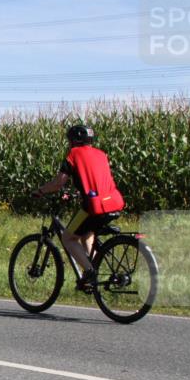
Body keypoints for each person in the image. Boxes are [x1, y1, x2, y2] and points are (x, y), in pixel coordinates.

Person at [33, 125, 125, 291]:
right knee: (86, 235)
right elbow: (94, 179)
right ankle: (91, 273)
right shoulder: (101, 154)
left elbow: (58, 183)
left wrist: (40, 191)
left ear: (74, 140)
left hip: (94, 206)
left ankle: (90, 272)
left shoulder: (73, 155)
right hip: (114, 202)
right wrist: (76, 193)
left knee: (68, 238)